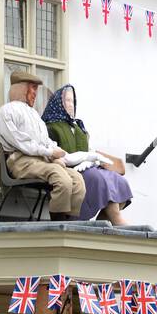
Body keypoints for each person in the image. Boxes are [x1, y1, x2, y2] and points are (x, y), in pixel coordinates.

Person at [0, 69, 85, 220]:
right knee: (60, 177)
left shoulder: (35, 115)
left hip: (41, 161)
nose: (35, 93)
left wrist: (57, 152)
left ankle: (70, 221)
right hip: (20, 161)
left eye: (36, 89)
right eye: (33, 88)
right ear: (21, 88)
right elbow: (22, 143)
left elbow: (44, 140)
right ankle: (58, 223)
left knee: (77, 179)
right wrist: (50, 153)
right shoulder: (6, 111)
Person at [41, 83, 133, 225]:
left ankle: (104, 223)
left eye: (73, 101)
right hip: (71, 169)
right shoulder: (51, 128)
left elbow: (88, 150)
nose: (71, 104)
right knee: (98, 179)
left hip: (89, 166)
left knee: (116, 179)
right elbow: (53, 154)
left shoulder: (78, 126)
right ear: (58, 103)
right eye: (67, 101)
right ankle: (116, 221)